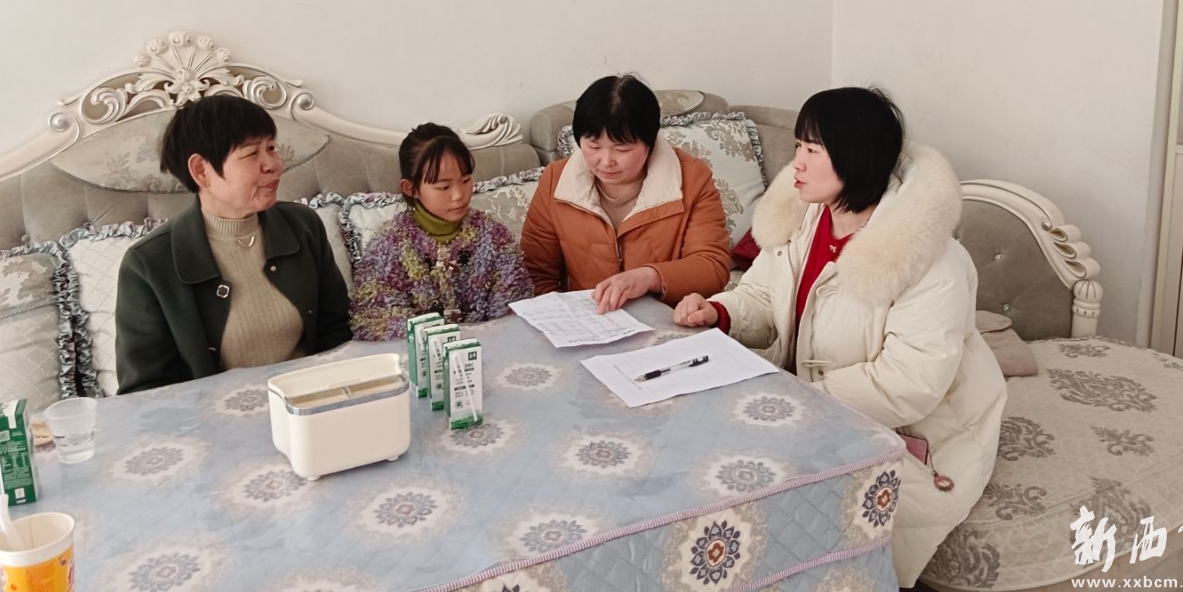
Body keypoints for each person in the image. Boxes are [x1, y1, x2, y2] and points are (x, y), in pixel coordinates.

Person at [673, 87, 1006, 587]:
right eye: (798, 147)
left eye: (813, 150)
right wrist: (719, 312)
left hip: (913, 434)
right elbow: (762, 295)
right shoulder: (807, 218)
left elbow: (909, 381)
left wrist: (796, 401)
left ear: (856, 156)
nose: (796, 163)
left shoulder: (929, 259)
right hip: (808, 409)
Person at [115, 94, 352, 394]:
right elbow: (146, 390)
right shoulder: (148, 264)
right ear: (202, 170)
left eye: (271, 148)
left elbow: (336, 331)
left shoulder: (302, 226)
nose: (274, 165)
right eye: (252, 153)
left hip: (311, 404)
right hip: (209, 418)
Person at [522, 74, 731, 312]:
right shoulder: (555, 181)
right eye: (593, 146)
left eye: (622, 149)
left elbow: (711, 266)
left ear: (649, 142)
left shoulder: (691, 178)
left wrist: (651, 276)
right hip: (589, 320)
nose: (606, 161)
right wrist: (566, 318)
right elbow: (536, 274)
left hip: (670, 320)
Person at [350, 123, 532, 339]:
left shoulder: (495, 238)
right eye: (443, 187)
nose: (458, 195)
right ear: (411, 188)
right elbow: (375, 321)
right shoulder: (387, 249)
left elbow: (516, 309)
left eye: (465, 180)